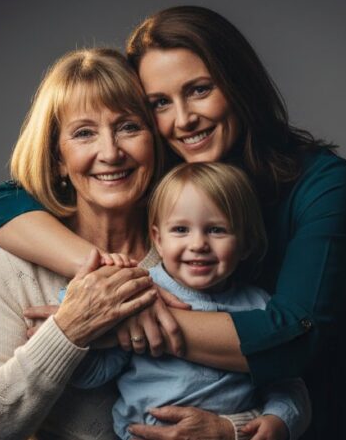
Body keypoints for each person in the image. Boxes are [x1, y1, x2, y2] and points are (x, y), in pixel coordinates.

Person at [0, 6, 346, 439]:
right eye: (160, 104)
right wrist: (118, 281)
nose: (184, 119)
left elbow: (297, 339)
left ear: (238, 84)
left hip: (318, 423)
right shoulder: (170, 171)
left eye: (200, 90)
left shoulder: (321, 182)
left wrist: (127, 313)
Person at [68, 162, 311, 440]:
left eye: (217, 230)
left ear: (245, 243)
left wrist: (278, 418)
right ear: (158, 240)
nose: (198, 244)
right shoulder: (140, 290)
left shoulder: (260, 306)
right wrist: (73, 337)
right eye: (181, 230)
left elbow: (288, 384)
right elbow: (94, 374)